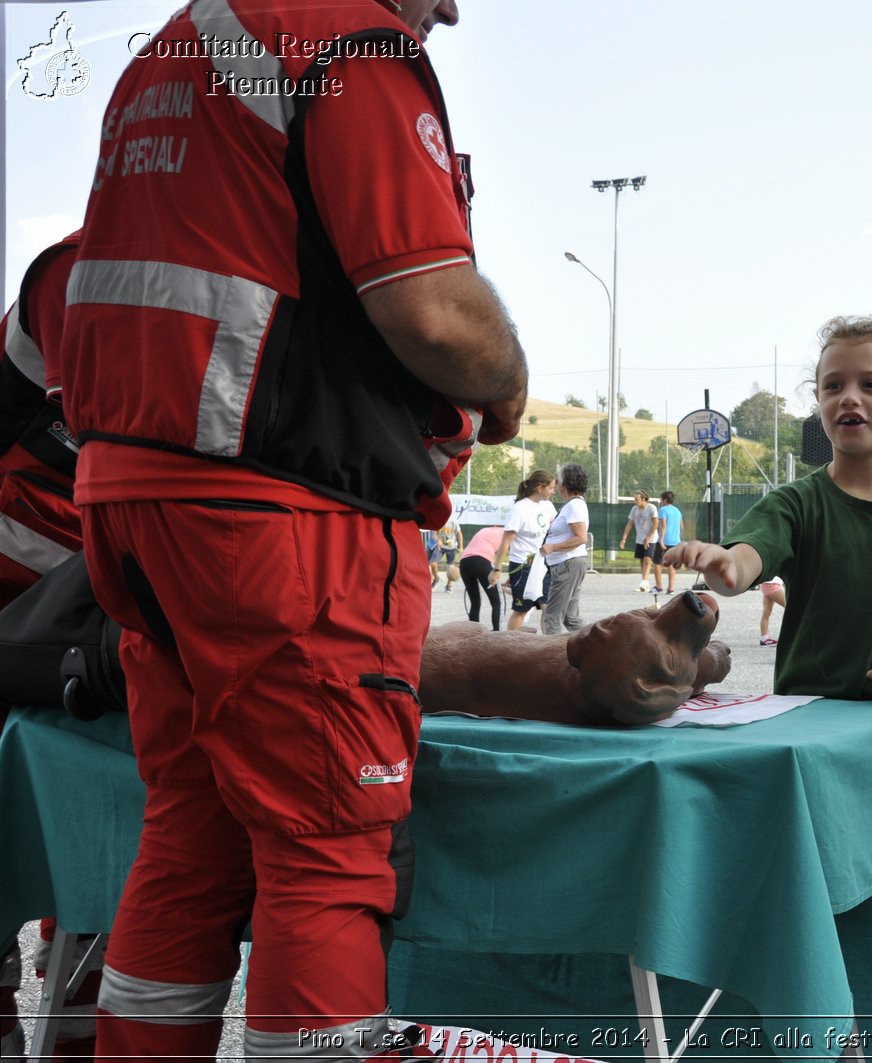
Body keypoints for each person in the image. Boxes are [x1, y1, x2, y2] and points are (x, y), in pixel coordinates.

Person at [57, 1, 529, 1058]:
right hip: (281, 519)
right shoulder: (347, 41)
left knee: (191, 841)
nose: (450, 9)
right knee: (326, 851)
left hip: (141, 501)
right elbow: (433, 310)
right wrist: (505, 381)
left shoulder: (176, 50)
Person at [664, 315, 872, 704]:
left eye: (870, 384)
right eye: (833, 385)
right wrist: (725, 567)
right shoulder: (794, 504)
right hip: (808, 722)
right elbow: (740, 566)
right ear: (820, 400)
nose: (849, 396)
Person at [0, 232, 104, 1062]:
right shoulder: (88, 270)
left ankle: (78, 1021)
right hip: (17, 604)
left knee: (114, 854)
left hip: (95, 607)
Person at [494, 471, 557, 632]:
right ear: (540, 487)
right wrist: (497, 568)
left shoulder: (548, 506)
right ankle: (511, 647)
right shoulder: (520, 508)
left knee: (547, 607)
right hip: (522, 565)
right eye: (551, 488)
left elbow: (556, 529)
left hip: (542, 564)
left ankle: (548, 646)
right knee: (522, 609)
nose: (553, 491)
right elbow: (506, 541)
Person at [539, 465, 591, 634]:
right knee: (571, 618)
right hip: (570, 564)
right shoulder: (573, 505)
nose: (557, 484)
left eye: (558, 480)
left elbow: (581, 537)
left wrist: (553, 547)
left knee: (552, 617)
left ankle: (551, 658)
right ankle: (593, 651)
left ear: (565, 483)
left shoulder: (574, 506)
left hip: (567, 564)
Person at [457, 525, 505, 630]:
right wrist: (497, 570)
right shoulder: (506, 533)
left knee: (475, 602)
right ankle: (497, 632)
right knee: (496, 601)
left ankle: (473, 634)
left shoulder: (484, 530)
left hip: (464, 562)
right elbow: (502, 552)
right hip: (481, 560)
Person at [620, 490, 661, 592]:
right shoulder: (634, 509)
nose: (635, 501)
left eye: (636, 499)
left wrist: (648, 537)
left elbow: (656, 524)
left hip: (651, 539)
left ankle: (644, 582)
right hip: (639, 538)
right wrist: (624, 539)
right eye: (635, 499)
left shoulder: (652, 508)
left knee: (648, 559)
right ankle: (645, 584)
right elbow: (630, 523)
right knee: (642, 560)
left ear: (643, 499)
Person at [657, 490, 684, 593]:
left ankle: (658, 586)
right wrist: (678, 538)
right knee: (672, 565)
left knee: (658, 563)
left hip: (666, 540)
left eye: (662, 499)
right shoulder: (678, 511)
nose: (661, 501)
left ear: (665, 499)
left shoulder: (663, 510)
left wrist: (661, 540)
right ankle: (671, 588)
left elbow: (663, 526)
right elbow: (682, 527)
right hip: (676, 541)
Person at [433, 521, 461, 592]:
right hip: (440, 547)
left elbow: (459, 534)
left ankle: (449, 585)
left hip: (452, 547)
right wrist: (438, 540)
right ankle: (436, 579)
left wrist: (461, 547)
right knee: (433, 564)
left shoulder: (453, 522)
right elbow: (434, 534)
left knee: (450, 568)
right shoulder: (439, 520)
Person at [758, 576, 785, 647]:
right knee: (792, 607)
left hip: (766, 584)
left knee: (767, 611)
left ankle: (764, 639)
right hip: (771, 585)